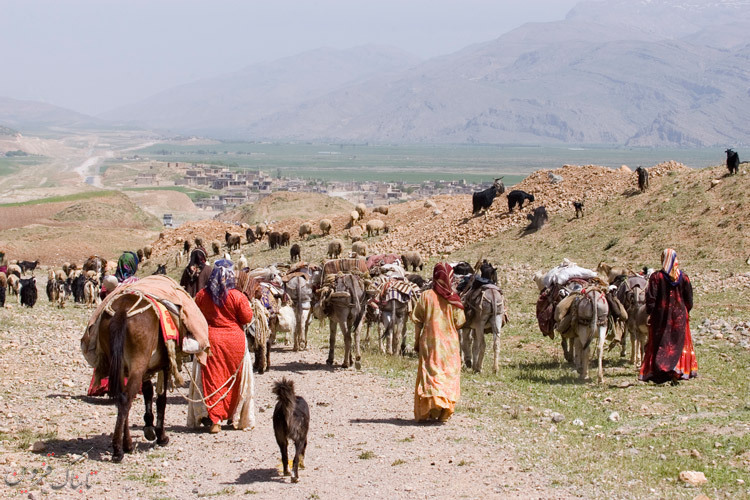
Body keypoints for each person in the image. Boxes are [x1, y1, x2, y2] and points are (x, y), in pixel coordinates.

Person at [194, 259, 254, 432]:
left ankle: (215, 419)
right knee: (235, 380)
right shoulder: (237, 296)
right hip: (234, 342)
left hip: (211, 341)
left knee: (213, 378)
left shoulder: (202, 295)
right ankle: (233, 417)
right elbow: (247, 318)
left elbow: (196, 316)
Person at [411, 262, 466, 422]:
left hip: (430, 343)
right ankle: (444, 411)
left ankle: (430, 408)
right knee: (448, 374)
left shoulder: (426, 296)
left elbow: (418, 321)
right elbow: (459, 322)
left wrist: (416, 341)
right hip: (450, 345)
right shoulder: (454, 300)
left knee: (431, 374)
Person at [639, 248, 698, 384]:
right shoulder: (684, 277)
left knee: (661, 342)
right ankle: (679, 369)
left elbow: (651, 298)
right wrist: (685, 312)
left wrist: (650, 312)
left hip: (661, 316)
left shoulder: (656, 277)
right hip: (680, 316)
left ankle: (661, 370)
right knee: (679, 341)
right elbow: (689, 299)